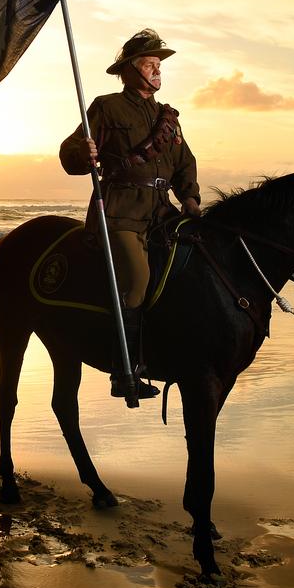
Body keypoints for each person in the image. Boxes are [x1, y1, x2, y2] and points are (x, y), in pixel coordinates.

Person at [59, 29, 200, 399]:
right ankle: (124, 372)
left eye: (158, 65)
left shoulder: (167, 117)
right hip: (121, 212)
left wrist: (190, 197)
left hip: (162, 211)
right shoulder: (107, 107)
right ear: (130, 71)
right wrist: (83, 153)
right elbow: (71, 151)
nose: (157, 71)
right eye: (150, 64)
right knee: (137, 281)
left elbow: (185, 162)